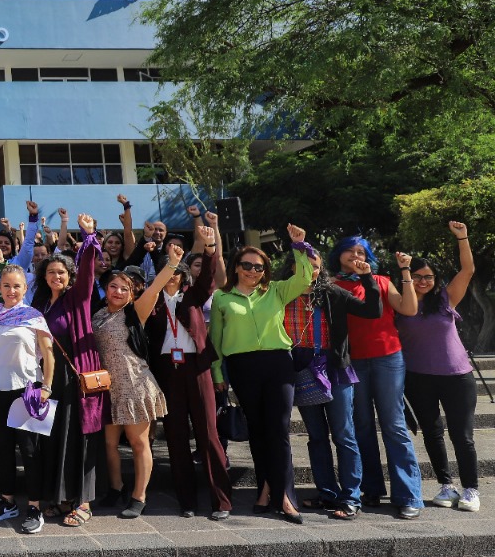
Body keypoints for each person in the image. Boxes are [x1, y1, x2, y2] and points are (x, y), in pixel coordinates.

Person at [210, 224, 312, 524]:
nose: (253, 271)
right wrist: (218, 372)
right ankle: (265, 489)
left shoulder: (276, 291)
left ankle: (284, 496)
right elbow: (215, 341)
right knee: (257, 431)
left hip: (278, 364)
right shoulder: (222, 298)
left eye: (259, 267)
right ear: (237, 267)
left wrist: (299, 247)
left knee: (279, 430)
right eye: (247, 265)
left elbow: (305, 277)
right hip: (243, 367)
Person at [278, 248, 381, 520]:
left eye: (315, 266)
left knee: (344, 434)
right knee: (316, 436)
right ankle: (327, 493)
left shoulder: (332, 293)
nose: (311, 271)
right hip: (300, 366)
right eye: (304, 265)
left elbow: (372, 311)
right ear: (292, 268)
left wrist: (367, 279)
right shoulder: (281, 294)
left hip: (333, 366)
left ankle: (351, 498)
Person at [329, 236, 424, 519]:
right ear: (339, 254)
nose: (356, 255)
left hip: (388, 357)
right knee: (361, 425)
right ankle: (370, 488)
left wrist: (405, 271)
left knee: (394, 425)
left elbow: (409, 309)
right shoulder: (331, 285)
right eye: (350, 251)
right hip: (352, 361)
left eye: (362, 252)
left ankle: (409, 495)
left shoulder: (381, 281)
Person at [143, 224, 231, 520]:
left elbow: (207, 278)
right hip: (167, 371)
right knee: (176, 435)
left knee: (208, 433)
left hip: (196, 368)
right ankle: (187, 501)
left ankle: (221, 501)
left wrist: (208, 248)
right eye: (168, 272)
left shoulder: (192, 297)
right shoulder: (151, 303)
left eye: (178, 272)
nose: (174, 277)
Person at [398, 221, 480, 513]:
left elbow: (467, 270)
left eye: (428, 276)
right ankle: (446, 485)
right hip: (419, 378)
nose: (423, 281)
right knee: (432, 433)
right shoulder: (400, 304)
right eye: (417, 276)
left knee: (463, 435)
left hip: (458, 377)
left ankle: (471, 489)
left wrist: (463, 238)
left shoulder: (445, 299)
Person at [93, 244, 178, 519]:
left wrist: (172, 264)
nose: (118, 291)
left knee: (138, 442)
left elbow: (154, 290)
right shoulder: (97, 315)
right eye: (114, 286)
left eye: (124, 288)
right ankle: (116, 488)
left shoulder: (134, 312)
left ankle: (139, 496)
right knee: (109, 444)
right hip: (106, 387)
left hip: (134, 383)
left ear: (132, 294)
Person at [33, 212, 107, 528]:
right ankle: (62, 497)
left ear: (69, 275)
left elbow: (89, 271)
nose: (56, 276)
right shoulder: (40, 302)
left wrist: (89, 237)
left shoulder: (78, 298)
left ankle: (85, 501)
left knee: (81, 436)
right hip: (50, 377)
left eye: (61, 272)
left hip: (76, 374)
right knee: (55, 437)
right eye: (51, 272)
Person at [0, 264, 54, 534]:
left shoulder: (33, 316)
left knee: (30, 451)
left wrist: (47, 388)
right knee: (4, 450)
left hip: (26, 390)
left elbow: (48, 354)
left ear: (25, 288)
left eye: (16, 286)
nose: (11, 290)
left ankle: (34, 506)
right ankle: (7, 501)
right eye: (6, 285)